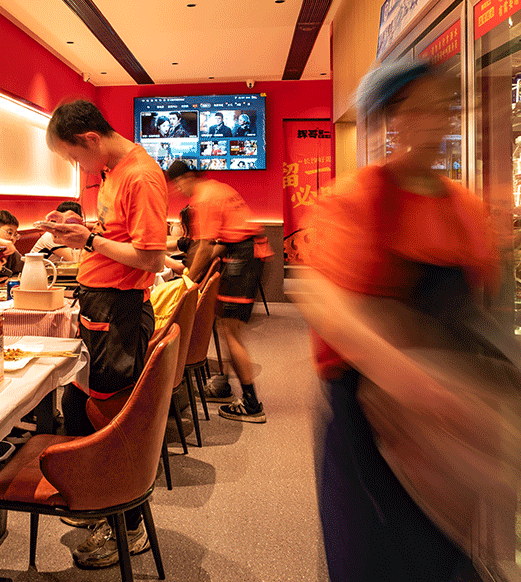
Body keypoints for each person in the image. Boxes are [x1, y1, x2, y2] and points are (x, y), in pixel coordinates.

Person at [300, 58, 500, 582]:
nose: (435, 122)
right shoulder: (355, 199)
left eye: (444, 108)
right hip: (365, 425)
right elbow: (328, 306)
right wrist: (416, 383)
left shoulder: (467, 210)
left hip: (446, 434)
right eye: (419, 109)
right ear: (394, 119)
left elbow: (483, 314)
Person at [43, 99, 167, 569]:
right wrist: (83, 230)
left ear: (91, 139)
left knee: (111, 418)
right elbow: (119, 235)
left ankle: (128, 526)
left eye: (74, 156)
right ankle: (97, 502)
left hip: (119, 311)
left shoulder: (140, 175)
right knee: (77, 406)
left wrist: (89, 241)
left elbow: (151, 258)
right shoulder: (113, 172)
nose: (77, 166)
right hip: (100, 306)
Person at [165, 160, 269, 422]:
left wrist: (188, 280)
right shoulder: (217, 188)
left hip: (243, 259)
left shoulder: (204, 198)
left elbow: (204, 247)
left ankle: (252, 404)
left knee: (230, 331)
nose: (178, 189)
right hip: (248, 254)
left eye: (177, 182)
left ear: (188, 177)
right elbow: (218, 242)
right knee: (225, 327)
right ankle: (223, 385)